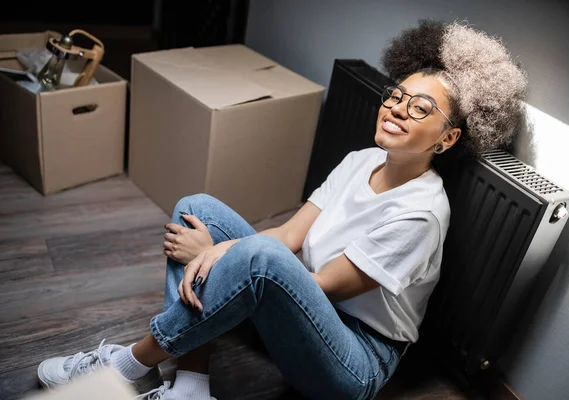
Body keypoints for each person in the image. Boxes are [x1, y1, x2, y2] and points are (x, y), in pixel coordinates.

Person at [36, 20, 527, 400]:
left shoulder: (421, 213)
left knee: (257, 260)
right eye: (396, 95)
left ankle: (126, 364)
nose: (397, 108)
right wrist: (221, 245)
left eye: (420, 108)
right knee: (198, 210)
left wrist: (224, 256)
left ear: (448, 138)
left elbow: (313, 282)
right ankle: (189, 386)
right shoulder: (363, 160)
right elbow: (291, 235)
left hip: (353, 359)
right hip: (302, 309)